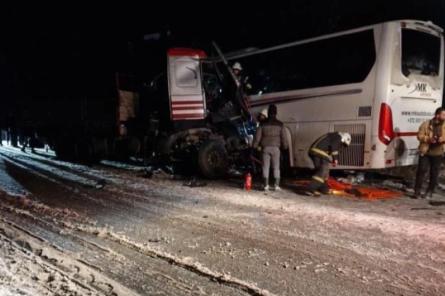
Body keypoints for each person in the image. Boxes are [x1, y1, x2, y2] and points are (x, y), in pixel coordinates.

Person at [253, 104, 288, 191]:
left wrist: (254, 146)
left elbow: (257, 137)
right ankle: (276, 186)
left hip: (265, 148)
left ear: (268, 113)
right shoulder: (280, 124)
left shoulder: (262, 124)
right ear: (276, 113)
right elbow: (284, 138)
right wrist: (285, 147)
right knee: (276, 167)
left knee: (265, 167)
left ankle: (265, 186)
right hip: (276, 149)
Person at [306, 132, 352, 196]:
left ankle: (324, 189)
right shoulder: (339, 137)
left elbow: (331, 147)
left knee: (322, 172)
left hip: (315, 151)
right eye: (343, 144)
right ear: (344, 139)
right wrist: (335, 159)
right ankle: (310, 189)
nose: (342, 145)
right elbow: (334, 147)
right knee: (323, 171)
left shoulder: (334, 136)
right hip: (320, 152)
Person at [414, 107, 445, 199]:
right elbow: (419, 136)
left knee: (434, 173)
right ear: (437, 115)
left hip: (438, 152)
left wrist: (442, 139)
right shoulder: (426, 124)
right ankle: (417, 191)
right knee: (421, 171)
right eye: (443, 115)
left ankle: (430, 191)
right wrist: (428, 139)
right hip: (426, 151)